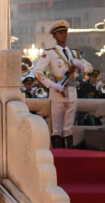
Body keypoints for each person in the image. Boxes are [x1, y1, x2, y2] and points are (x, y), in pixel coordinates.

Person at [30, 20, 92, 149]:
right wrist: (52, 85)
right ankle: (58, 155)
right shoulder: (50, 53)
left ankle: (69, 154)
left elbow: (90, 68)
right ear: (54, 36)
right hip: (58, 91)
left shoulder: (75, 54)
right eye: (60, 33)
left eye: (65, 33)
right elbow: (37, 71)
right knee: (56, 129)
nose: (64, 35)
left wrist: (82, 66)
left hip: (72, 91)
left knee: (68, 128)